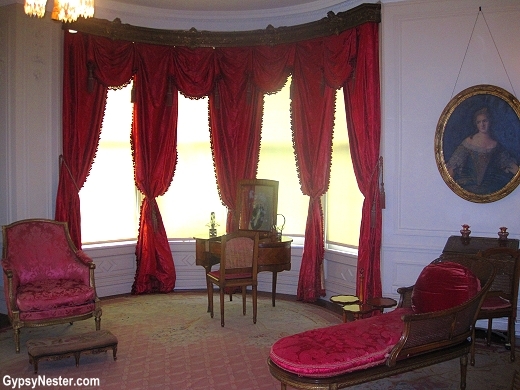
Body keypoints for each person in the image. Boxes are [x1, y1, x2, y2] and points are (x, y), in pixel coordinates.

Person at [446, 107, 519, 195]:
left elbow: (509, 164)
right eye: (479, 122)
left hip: (490, 189)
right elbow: (453, 166)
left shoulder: (495, 145)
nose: (482, 125)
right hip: (468, 186)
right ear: (476, 124)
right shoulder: (469, 142)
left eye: (485, 121)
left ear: (490, 122)